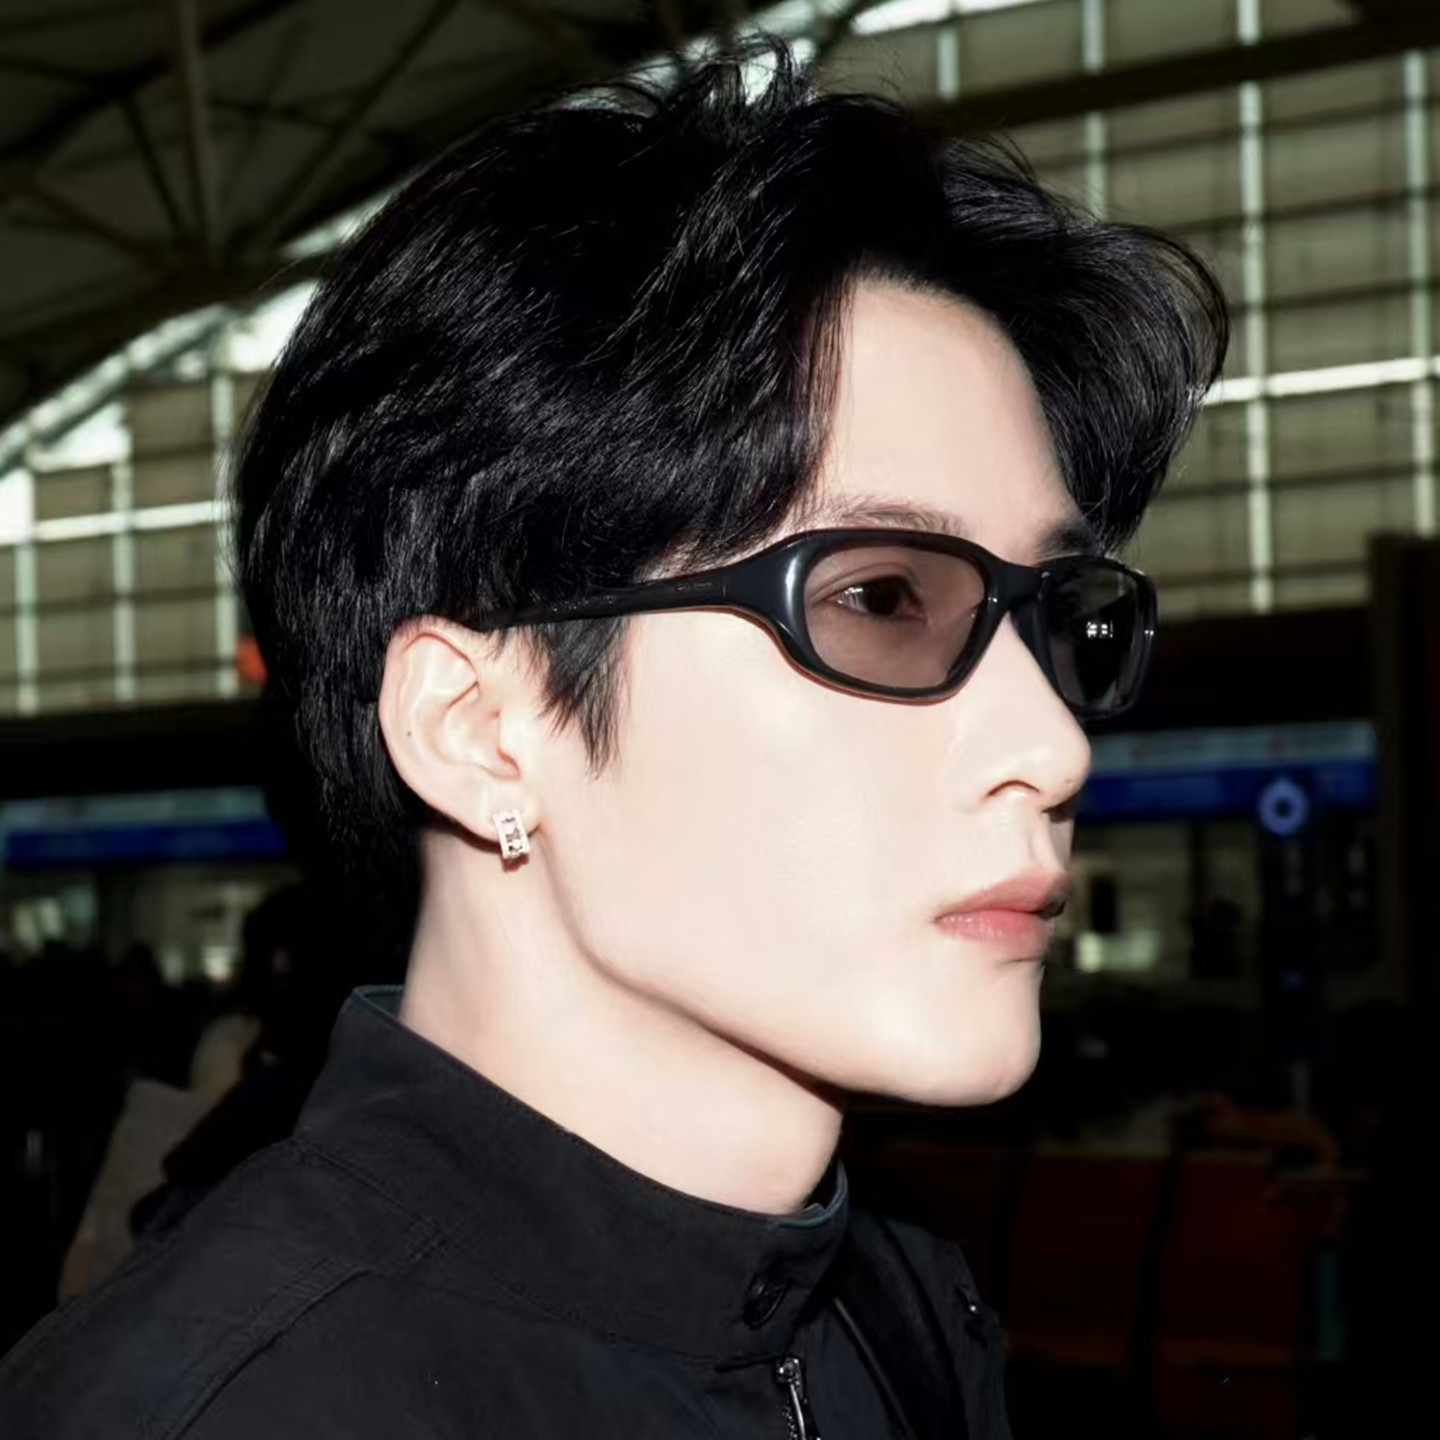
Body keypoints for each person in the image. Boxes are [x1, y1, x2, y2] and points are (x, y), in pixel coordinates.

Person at [0, 43, 1225, 1439]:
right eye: (882, 598)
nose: (1055, 745)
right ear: (477, 728)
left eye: (1058, 617)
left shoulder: (895, 1319)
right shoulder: (241, 1407)